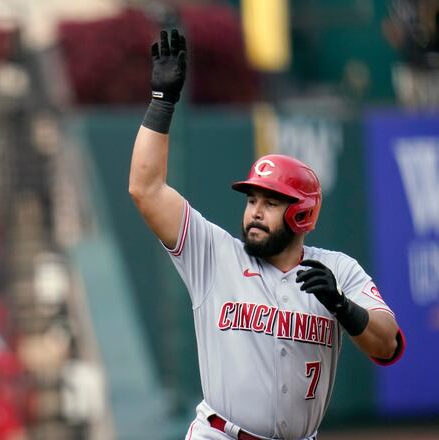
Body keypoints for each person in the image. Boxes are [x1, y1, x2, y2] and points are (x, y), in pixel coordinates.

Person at [128, 29, 405, 440]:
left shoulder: (337, 271)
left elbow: (389, 346)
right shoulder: (214, 254)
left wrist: (343, 307)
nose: (255, 211)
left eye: (271, 202)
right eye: (252, 199)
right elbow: (145, 188)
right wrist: (161, 103)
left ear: (302, 213)